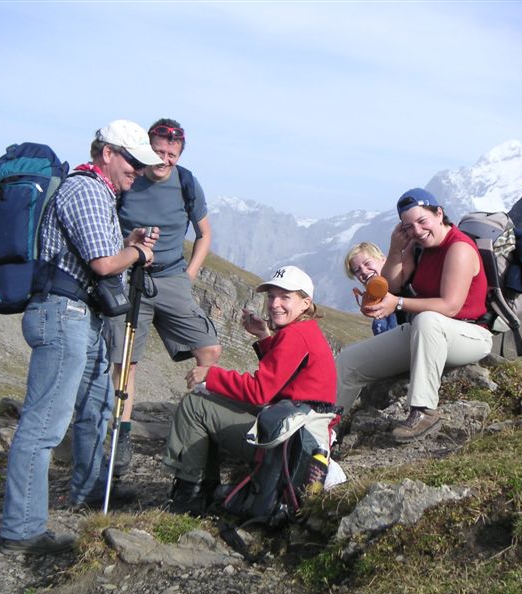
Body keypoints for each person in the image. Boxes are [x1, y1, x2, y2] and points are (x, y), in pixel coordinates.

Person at [0, 120, 161, 556]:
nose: (138, 170)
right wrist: (137, 252)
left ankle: (88, 490)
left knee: (97, 404)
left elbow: (96, 251)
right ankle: (21, 530)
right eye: (132, 160)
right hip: (63, 315)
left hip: (79, 317)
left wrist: (127, 241)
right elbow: (104, 264)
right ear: (107, 153)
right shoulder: (87, 190)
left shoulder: (99, 192)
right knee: (45, 423)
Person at [162, 265, 337, 515]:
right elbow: (285, 378)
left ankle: (190, 494)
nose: (275, 304)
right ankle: (204, 488)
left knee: (195, 405)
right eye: (271, 296)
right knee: (209, 398)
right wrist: (265, 336)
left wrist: (211, 374)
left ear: (305, 304)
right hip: (298, 432)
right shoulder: (305, 330)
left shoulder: (295, 336)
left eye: (285, 297)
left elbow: (260, 392)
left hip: (286, 443)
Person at [105, 118, 221, 477]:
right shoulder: (131, 178)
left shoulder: (186, 182)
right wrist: (126, 248)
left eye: (172, 154)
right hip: (130, 277)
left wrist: (189, 275)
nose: (165, 159)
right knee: (126, 362)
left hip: (172, 278)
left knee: (209, 349)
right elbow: (106, 226)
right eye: (158, 151)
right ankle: (121, 437)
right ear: (147, 148)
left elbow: (204, 233)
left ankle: (197, 424)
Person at [335, 188, 493, 443]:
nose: (417, 231)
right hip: (426, 334)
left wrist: (397, 304)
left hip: (469, 334)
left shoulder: (459, 248)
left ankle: (423, 411)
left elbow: (450, 306)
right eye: (408, 227)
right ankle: (323, 433)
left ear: (439, 214)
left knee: (427, 319)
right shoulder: (417, 247)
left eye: (422, 221)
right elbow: (392, 285)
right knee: (348, 361)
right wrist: (396, 248)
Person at [345, 242, 397, 336]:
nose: (364, 271)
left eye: (367, 263)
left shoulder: (402, 287)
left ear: (383, 260)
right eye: (357, 270)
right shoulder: (377, 304)